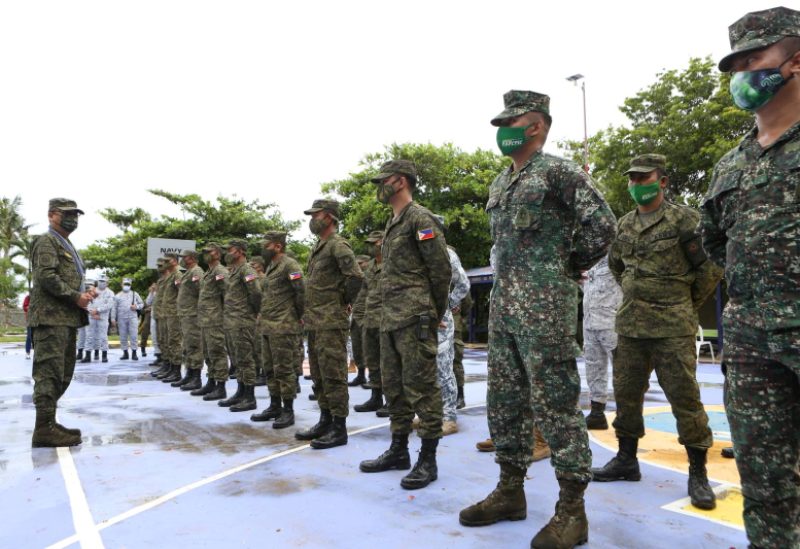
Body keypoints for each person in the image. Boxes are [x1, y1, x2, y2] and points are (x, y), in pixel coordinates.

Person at [459, 91, 616, 548]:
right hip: (505, 309)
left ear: (538, 126)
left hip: (545, 308)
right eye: (501, 123)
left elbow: (603, 227)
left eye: (514, 122)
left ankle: (572, 511)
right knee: (504, 402)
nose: (504, 131)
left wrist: (564, 268)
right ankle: (511, 491)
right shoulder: (500, 183)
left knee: (556, 406)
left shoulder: (559, 172)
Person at [700, 7, 800, 546]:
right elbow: (716, 241)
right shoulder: (730, 165)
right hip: (751, 343)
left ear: (795, 61)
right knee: (764, 481)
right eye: (734, 64)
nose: (742, 74)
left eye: (754, 59)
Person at [591, 154, 723, 512]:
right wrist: (637, 291)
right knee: (627, 394)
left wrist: (683, 303)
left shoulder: (685, 220)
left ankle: (698, 473)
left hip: (672, 327)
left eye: (643, 177)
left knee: (685, 398)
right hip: (632, 325)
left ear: (662, 181)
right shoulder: (625, 224)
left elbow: (709, 268)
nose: (636, 184)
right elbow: (617, 265)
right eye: (632, 179)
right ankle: (626, 460)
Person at [359, 160, 452, 490]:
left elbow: (441, 272)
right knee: (394, 388)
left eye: (382, 181)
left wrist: (433, 312)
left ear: (399, 182)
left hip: (414, 319)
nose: (378, 187)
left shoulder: (420, 219)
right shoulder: (392, 222)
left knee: (423, 389)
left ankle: (428, 459)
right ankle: (399, 450)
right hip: (389, 319)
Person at [295, 199, 363, 449]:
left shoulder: (338, 245)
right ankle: (325, 419)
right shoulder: (319, 247)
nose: (313, 219)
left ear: (331, 217)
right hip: (315, 322)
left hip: (331, 322)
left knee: (334, 375)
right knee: (319, 375)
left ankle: (339, 427)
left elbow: (355, 278)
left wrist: (342, 302)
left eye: (317, 214)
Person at [29, 198, 94, 447]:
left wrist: (83, 293)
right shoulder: (47, 241)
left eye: (76, 215)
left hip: (65, 319)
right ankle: (43, 428)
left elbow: (66, 277)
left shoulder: (65, 243)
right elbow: (46, 276)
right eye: (67, 214)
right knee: (49, 373)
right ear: (51, 215)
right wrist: (76, 297)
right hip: (50, 318)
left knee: (62, 374)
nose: (73, 219)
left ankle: (49, 422)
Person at [250, 231, 305, 429]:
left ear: (278, 246)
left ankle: (288, 409)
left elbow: (301, 292)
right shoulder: (271, 266)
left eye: (266, 245)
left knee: (284, 369)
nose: (263, 248)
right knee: (270, 369)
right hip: (267, 325)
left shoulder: (290, 265)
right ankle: (274, 405)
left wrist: (295, 316)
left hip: (283, 325)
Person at [218, 240, 262, 412]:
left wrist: (253, 312)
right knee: (237, 359)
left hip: (243, 321)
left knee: (246, 359)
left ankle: (249, 397)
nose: (227, 253)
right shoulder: (234, 271)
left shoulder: (247, 270)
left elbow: (256, 293)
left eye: (230, 250)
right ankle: (241, 391)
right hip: (232, 321)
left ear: (241, 251)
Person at [580, 256, 622, 429]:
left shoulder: (617, 254)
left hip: (612, 322)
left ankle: (626, 414)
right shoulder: (589, 258)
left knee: (622, 370)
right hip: (590, 322)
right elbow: (589, 287)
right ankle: (597, 413)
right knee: (593, 368)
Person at [436, 240, 470, 436]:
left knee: (443, 368)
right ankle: (430, 414)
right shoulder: (416, 251)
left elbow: (463, 283)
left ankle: (449, 417)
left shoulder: (447, 254)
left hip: (441, 319)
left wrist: (447, 305)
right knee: (425, 369)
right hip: (421, 317)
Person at [191, 243, 230, 400]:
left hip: (215, 319)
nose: (206, 254)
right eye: (205, 252)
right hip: (206, 320)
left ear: (218, 254)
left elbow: (227, 293)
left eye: (210, 252)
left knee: (217, 352)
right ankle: (211, 381)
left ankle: (221, 386)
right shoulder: (209, 272)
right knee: (208, 353)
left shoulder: (220, 271)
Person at [354, 232, 386, 414]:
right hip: (370, 321)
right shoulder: (371, 266)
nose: (371, 246)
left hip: (387, 321)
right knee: (372, 361)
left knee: (389, 364)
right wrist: (360, 317)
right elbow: (363, 293)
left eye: (374, 243)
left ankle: (393, 400)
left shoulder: (393, 262)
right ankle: (376, 397)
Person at [171, 250, 204, 390]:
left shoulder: (196, 272)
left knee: (195, 346)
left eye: (184, 257)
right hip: (185, 315)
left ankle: (196, 378)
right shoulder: (188, 272)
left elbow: (201, 292)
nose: (182, 259)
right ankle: (189, 374)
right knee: (187, 346)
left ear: (192, 258)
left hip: (193, 315)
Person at [157, 254, 184, 383]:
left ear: (174, 261)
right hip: (166, 314)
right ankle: (169, 367)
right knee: (166, 340)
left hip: (174, 314)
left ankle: (176, 371)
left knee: (174, 342)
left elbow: (182, 293)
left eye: (168, 261)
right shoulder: (170, 277)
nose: (165, 263)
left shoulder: (177, 275)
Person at [347, 254, 372, 388]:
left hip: (371, 315)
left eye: (361, 263)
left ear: (368, 263)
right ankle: (361, 375)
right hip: (357, 315)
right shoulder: (354, 278)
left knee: (372, 348)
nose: (358, 266)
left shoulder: (373, 275)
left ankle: (375, 379)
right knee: (357, 346)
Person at [83, 274, 115, 363]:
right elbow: (86, 302)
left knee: (103, 337)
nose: (101, 283)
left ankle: (104, 355)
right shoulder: (92, 291)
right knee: (89, 336)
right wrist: (92, 312)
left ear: (107, 283)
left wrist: (97, 310)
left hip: (102, 317)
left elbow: (109, 305)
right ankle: (88, 355)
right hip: (91, 316)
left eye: (103, 281)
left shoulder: (110, 293)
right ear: (97, 282)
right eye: (100, 281)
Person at [114, 278, 144, 361]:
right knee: (123, 336)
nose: (126, 286)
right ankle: (125, 353)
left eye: (128, 284)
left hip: (132, 317)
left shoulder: (135, 294)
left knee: (134, 336)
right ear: (121, 285)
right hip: (121, 318)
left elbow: (142, 304)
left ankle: (134, 353)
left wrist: (136, 307)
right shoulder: (117, 296)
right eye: (125, 284)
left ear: (130, 285)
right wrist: (113, 319)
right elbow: (114, 308)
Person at [452, 290, 472, 409]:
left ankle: (460, 396)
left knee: (455, 361)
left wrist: (459, 317)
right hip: (434, 323)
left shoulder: (456, 274)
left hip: (453, 325)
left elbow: (467, 303)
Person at [23, 293, 32, 359]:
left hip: (40, 320)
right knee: (29, 336)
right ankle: (28, 352)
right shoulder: (28, 297)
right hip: (30, 320)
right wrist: (30, 307)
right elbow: (25, 307)